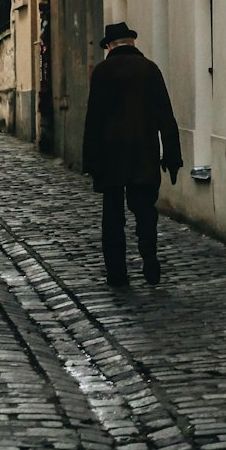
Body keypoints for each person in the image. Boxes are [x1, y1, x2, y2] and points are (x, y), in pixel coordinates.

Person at [82, 20, 182, 287]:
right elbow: (166, 115)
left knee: (113, 216)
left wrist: (90, 159)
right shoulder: (150, 70)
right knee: (145, 210)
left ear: (109, 46)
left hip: (111, 155)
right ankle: (149, 255)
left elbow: (94, 119)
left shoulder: (103, 73)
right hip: (144, 152)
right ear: (132, 42)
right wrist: (172, 155)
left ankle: (117, 273)